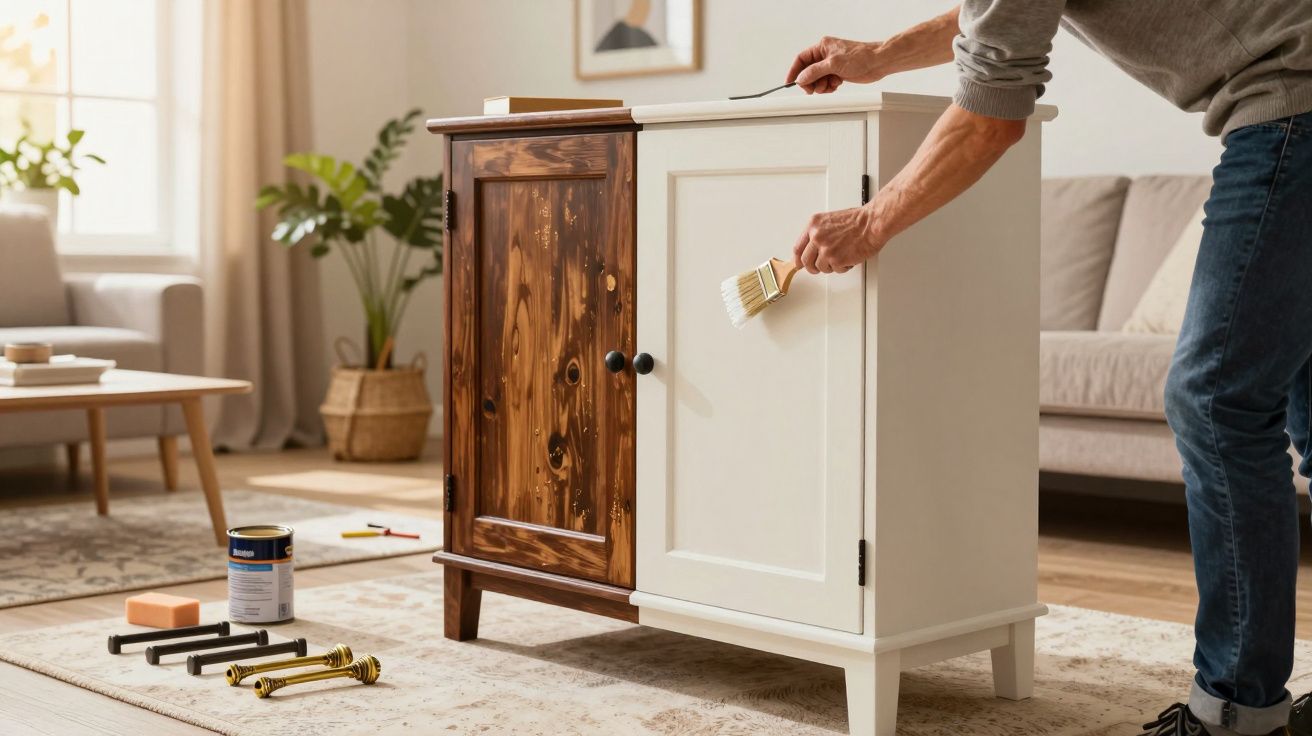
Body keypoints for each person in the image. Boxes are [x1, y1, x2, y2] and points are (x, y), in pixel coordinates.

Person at [786, 4, 1312, 735]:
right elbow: (1002, 14)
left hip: (1293, 109)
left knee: (1216, 400)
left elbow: (990, 115)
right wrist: (877, 55)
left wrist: (871, 222)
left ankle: (1236, 709)